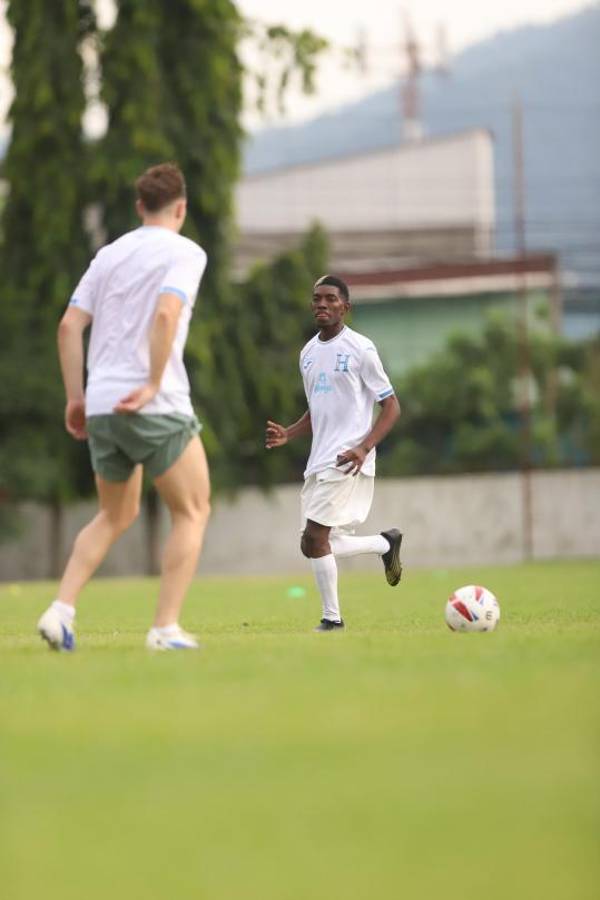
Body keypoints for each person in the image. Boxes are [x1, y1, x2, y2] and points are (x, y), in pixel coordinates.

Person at [37, 162, 210, 651]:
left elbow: (69, 326)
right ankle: (164, 629)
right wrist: (154, 383)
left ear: (139, 207)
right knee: (193, 510)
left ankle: (60, 611)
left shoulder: (109, 254)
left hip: (102, 405)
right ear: (181, 207)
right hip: (155, 404)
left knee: (115, 514)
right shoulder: (186, 252)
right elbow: (165, 313)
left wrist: (77, 397)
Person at [265, 274, 402, 631]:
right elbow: (317, 409)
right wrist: (289, 433)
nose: (322, 305)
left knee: (316, 539)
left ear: (345, 307)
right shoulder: (308, 353)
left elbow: (391, 408)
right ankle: (384, 545)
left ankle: (332, 620)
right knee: (312, 544)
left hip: (348, 460)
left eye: (330, 299)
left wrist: (363, 447)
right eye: (316, 299)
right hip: (319, 459)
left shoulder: (361, 349)